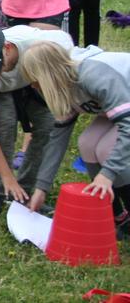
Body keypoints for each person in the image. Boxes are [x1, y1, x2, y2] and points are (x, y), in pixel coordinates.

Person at [0, 23, 73, 214]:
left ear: (7, 48)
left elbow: (65, 42)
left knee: (48, 127)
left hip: (33, 80)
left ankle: (27, 190)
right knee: (3, 129)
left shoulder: (40, 45)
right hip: (0, 92)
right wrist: (7, 176)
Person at [21, 42, 130, 237]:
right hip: (123, 107)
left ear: (48, 75)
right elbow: (57, 140)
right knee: (87, 143)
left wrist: (107, 174)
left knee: (106, 149)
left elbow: (128, 126)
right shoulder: (65, 88)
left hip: (127, 110)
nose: (33, 85)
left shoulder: (93, 77)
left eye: (35, 79)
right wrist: (42, 187)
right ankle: (113, 214)